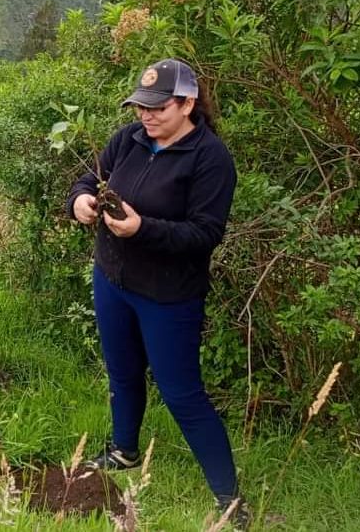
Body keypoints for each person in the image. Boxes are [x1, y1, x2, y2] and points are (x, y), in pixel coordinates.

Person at [66, 58, 245, 523]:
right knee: (122, 373)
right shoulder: (128, 139)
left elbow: (205, 234)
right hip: (112, 280)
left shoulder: (210, 159)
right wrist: (80, 200)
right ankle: (124, 451)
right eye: (140, 106)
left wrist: (142, 229)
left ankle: (230, 501)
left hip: (168, 296)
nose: (146, 116)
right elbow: (91, 177)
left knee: (183, 394)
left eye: (158, 108)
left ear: (187, 104)